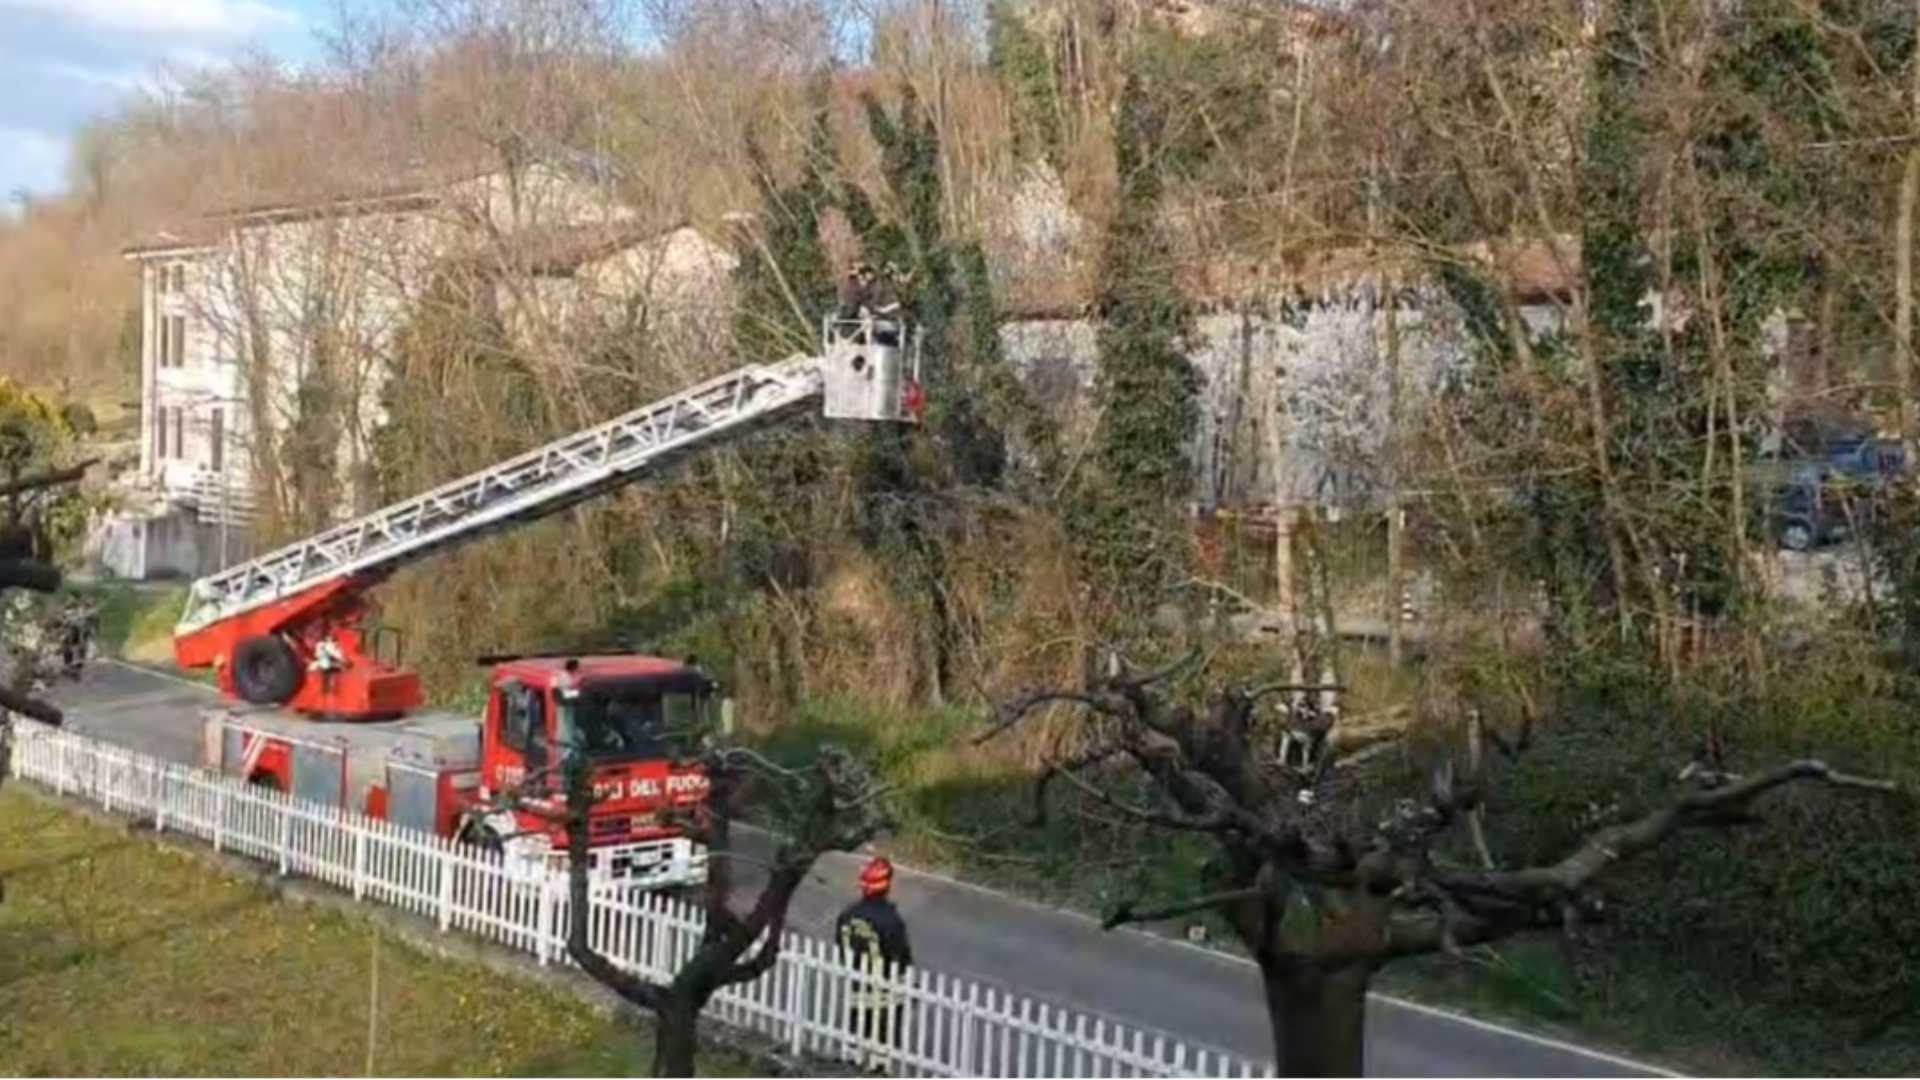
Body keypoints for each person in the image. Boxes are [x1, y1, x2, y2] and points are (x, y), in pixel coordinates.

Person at [836, 856, 913, 1068]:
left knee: (858, 1030)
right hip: (885, 989)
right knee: (883, 1037)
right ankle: (880, 1066)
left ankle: (854, 1061)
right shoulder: (891, 920)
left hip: (857, 985)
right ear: (887, 885)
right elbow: (901, 957)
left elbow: (841, 948)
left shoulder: (847, 915)